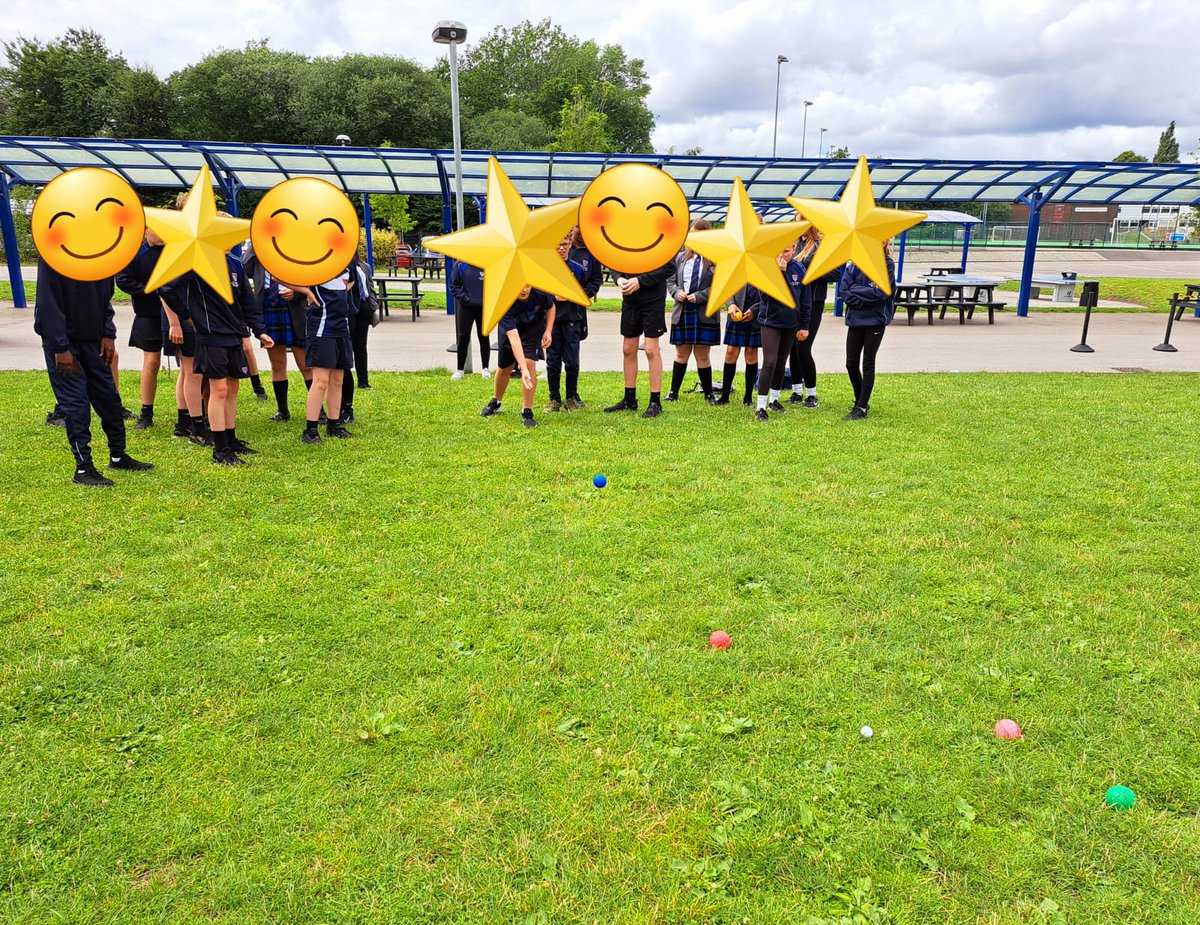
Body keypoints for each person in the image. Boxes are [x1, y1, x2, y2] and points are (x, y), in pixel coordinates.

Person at [33, 256, 154, 485]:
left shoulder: (101, 252)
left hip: (94, 339)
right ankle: (83, 469)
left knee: (109, 398)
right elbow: (48, 302)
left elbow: (105, 298)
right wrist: (60, 346)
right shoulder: (54, 254)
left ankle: (118, 456)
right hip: (64, 344)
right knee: (76, 405)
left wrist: (108, 333)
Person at [161, 247, 274, 464]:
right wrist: (186, 316)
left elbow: (247, 302)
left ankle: (231, 441)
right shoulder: (196, 261)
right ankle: (220, 451)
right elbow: (166, 289)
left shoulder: (234, 263)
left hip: (235, 333)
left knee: (232, 388)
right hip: (211, 336)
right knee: (219, 389)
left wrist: (259, 330)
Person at [242, 238, 311, 423]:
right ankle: (283, 410)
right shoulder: (259, 247)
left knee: (304, 363)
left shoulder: (296, 246)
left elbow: (312, 279)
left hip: (294, 306)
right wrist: (255, 244)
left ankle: (317, 410)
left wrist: (295, 292)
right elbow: (245, 269)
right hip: (268, 303)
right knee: (277, 362)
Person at [746, 241, 810, 422]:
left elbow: (805, 299)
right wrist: (779, 274)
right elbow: (765, 297)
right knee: (770, 362)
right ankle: (760, 406)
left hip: (791, 323)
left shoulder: (799, 269)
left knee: (782, 360)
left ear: (794, 249)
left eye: (786, 250)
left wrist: (804, 324)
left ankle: (774, 399)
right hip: (770, 321)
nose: (782, 255)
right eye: (779, 250)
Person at [604, 257, 675, 418]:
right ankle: (629, 400)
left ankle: (655, 402)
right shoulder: (625, 238)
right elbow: (613, 260)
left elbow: (669, 267)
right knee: (628, 349)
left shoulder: (660, 241)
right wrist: (619, 279)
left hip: (653, 300)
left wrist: (640, 281)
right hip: (630, 301)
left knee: (651, 350)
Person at [480, 285, 555, 428]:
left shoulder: (541, 293)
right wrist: (522, 369)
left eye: (527, 286)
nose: (524, 289)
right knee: (504, 368)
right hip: (510, 332)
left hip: (532, 329)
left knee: (530, 363)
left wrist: (548, 330)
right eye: (519, 285)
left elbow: (551, 307)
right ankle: (497, 402)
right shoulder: (504, 302)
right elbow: (515, 340)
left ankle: (527, 410)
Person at [297, 265, 357, 444]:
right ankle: (311, 430)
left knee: (338, 380)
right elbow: (279, 276)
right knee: (321, 381)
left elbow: (351, 279)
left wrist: (342, 293)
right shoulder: (316, 264)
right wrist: (307, 292)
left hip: (342, 328)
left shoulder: (347, 263)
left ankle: (334, 425)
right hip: (322, 330)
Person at [114, 228, 167, 430]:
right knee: (151, 362)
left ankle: (191, 413)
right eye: (155, 229)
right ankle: (146, 413)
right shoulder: (136, 253)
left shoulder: (176, 250)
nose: (161, 233)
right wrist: (149, 291)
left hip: (178, 315)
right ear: (144, 231)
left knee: (189, 365)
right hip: (149, 314)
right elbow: (122, 279)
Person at [546, 224, 602, 411]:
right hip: (552, 322)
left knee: (572, 361)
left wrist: (573, 295)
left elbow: (588, 288)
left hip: (572, 320)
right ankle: (554, 399)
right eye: (558, 245)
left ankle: (571, 397)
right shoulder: (545, 268)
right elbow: (537, 291)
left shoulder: (577, 269)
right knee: (552, 361)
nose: (561, 248)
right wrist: (552, 296)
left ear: (570, 244)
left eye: (564, 244)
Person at [840, 243, 896, 421]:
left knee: (868, 362)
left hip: (875, 321)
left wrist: (857, 291)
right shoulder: (854, 264)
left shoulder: (886, 264)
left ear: (884, 242)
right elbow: (844, 292)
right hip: (855, 320)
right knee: (850, 363)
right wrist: (867, 293)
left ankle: (862, 406)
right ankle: (859, 399)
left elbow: (882, 293)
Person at [666, 219, 718, 403]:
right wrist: (677, 292)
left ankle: (709, 393)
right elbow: (670, 281)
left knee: (703, 355)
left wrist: (701, 296)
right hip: (683, 309)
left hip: (704, 310)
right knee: (681, 353)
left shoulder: (716, 258)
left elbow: (721, 285)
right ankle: (673, 392)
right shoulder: (680, 257)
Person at [788, 226, 839, 409]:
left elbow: (836, 272)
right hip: (794, 301)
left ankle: (812, 394)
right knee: (792, 348)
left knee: (803, 347)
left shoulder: (822, 245)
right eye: (795, 219)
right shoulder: (794, 244)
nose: (796, 222)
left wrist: (811, 272)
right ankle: (796, 391)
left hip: (814, 302)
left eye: (800, 219)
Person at [715, 286, 759, 406]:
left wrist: (755, 310)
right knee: (731, 351)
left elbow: (770, 292)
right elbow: (726, 286)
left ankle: (748, 398)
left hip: (755, 314)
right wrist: (730, 305)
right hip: (736, 311)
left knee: (751, 351)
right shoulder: (736, 267)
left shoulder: (767, 267)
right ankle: (724, 396)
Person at [449, 259, 489, 380]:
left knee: (484, 336)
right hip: (466, 307)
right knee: (463, 337)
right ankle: (460, 370)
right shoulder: (460, 264)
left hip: (484, 307)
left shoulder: (488, 263)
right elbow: (453, 286)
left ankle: (485, 369)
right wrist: (465, 299)